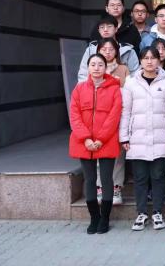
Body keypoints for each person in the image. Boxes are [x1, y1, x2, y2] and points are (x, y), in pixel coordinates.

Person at [119, 47, 165, 231]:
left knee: (158, 177)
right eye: (145, 58)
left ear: (158, 60)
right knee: (140, 178)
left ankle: (157, 212)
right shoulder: (131, 84)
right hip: (137, 139)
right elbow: (125, 112)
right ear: (140, 61)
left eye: (153, 58)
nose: (149, 61)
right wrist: (124, 137)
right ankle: (141, 213)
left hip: (160, 138)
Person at [69, 54, 122, 234]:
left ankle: (105, 218)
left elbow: (114, 116)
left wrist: (100, 139)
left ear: (106, 68)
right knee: (90, 179)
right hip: (84, 142)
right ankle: (94, 218)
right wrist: (86, 138)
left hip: (105, 141)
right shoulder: (79, 89)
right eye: (93, 64)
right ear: (88, 67)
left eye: (100, 64)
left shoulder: (114, 89)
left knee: (106, 179)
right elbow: (74, 115)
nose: (97, 68)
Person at [94, 38, 129, 204]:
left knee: (118, 154)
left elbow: (128, 92)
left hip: (118, 116)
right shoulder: (95, 68)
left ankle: (116, 188)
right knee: (98, 153)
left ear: (116, 52)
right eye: (104, 49)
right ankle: (100, 187)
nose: (107, 52)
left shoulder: (123, 69)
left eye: (111, 49)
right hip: (99, 117)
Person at [78, 16, 139, 82]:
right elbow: (83, 73)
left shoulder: (128, 50)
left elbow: (135, 74)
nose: (105, 30)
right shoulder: (90, 50)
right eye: (102, 27)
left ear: (116, 29)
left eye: (109, 26)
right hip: (95, 86)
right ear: (98, 30)